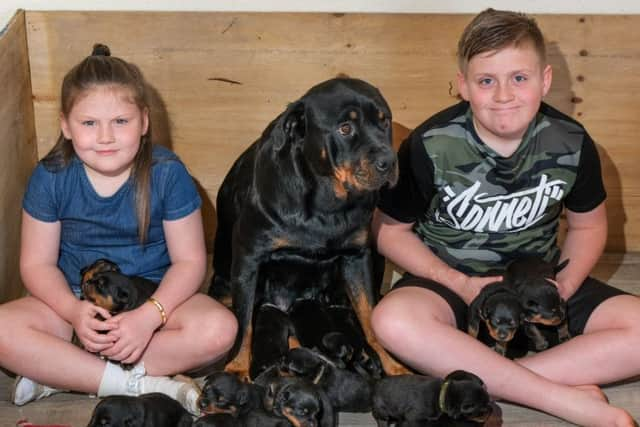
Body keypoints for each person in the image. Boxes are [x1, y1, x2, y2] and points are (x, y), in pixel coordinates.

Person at [371, 8, 639, 427]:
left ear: (545, 80)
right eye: (486, 81)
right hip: (452, 281)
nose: (503, 95)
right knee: (392, 320)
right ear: (463, 86)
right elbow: (389, 232)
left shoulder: (570, 141)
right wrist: (458, 282)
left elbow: (589, 225)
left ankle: (502, 382)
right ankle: (561, 398)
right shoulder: (432, 143)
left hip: (537, 281)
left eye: (519, 78)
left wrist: (564, 286)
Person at [0, 44, 237, 414]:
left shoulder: (167, 173)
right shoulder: (51, 176)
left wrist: (148, 317)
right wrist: (73, 311)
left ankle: (64, 373)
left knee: (219, 330)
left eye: (120, 122)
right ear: (65, 124)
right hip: (74, 303)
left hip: (154, 300)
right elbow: (36, 265)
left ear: (143, 121)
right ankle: (141, 383)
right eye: (89, 123)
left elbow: (190, 262)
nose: (105, 136)